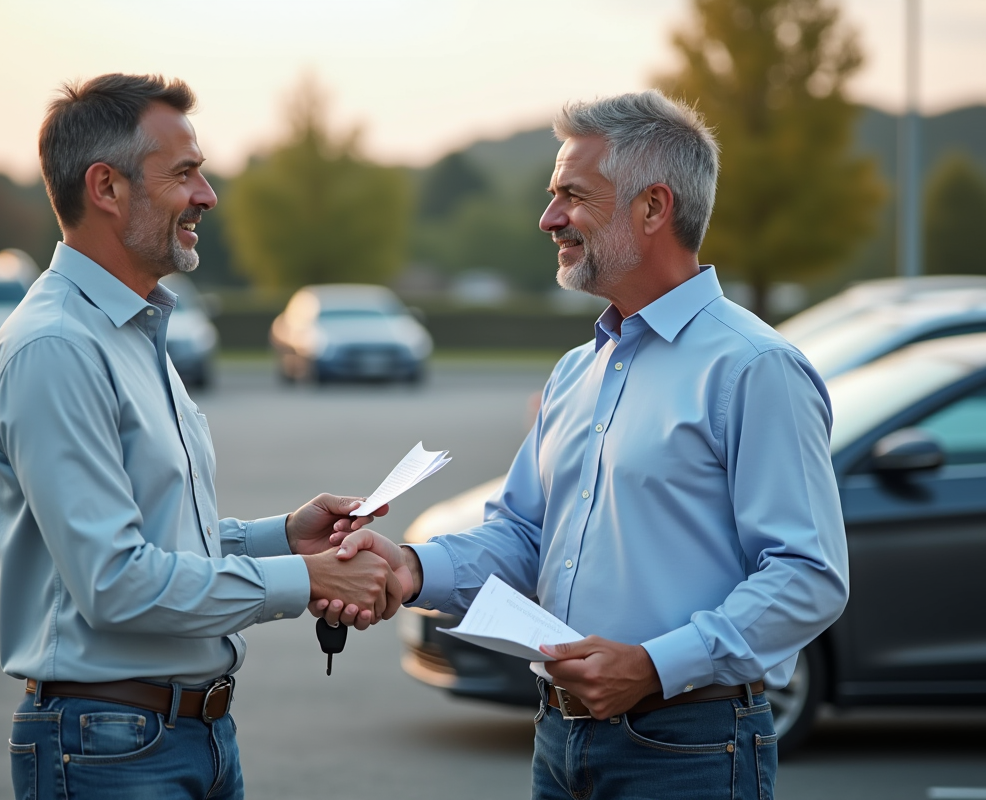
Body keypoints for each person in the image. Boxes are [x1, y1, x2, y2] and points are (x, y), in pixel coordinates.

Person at [321, 91, 850, 799]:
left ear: (653, 207)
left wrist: (654, 666)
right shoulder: (577, 371)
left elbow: (808, 575)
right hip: (559, 740)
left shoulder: (754, 368)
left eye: (572, 195)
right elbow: (522, 535)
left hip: (689, 748)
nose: (549, 218)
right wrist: (412, 568)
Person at [0, 73, 404, 800]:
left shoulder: (128, 332)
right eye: (184, 174)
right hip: (108, 748)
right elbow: (115, 584)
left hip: (184, 736)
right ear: (107, 188)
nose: (207, 195)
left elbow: (160, 544)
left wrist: (283, 539)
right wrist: (309, 580)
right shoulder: (57, 348)